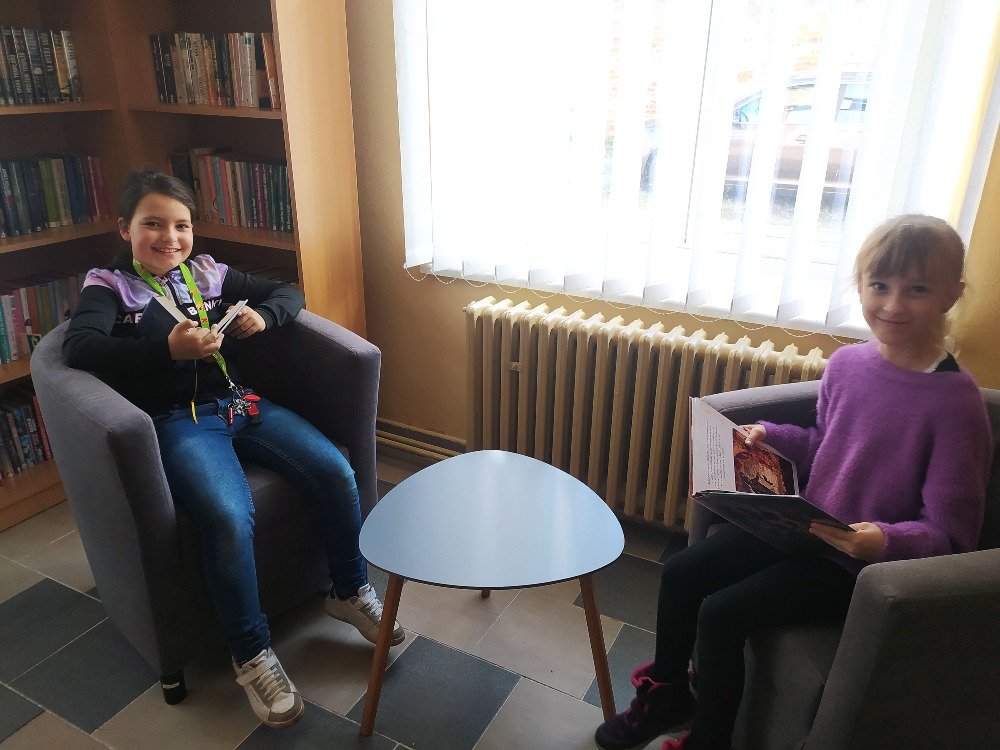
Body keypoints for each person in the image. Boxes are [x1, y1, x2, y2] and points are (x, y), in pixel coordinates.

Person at [594, 214, 992, 750]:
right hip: (802, 527)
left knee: (721, 614)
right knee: (682, 572)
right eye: (879, 285)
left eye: (917, 289)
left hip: (853, 564)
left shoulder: (957, 404)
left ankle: (709, 742)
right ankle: (667, 694)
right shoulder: (848, 364)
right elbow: (826, 441)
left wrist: (882, 540)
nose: (894, 305)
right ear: (860, 285)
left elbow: (951, 533)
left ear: (952, 295)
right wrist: (770, 436)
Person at [63, 169, 404, 729]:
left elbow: (288, 293)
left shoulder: (208, 272)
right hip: (179, 421)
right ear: (125, 229)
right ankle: (250, 653)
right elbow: (79, 349)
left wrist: (262, 315)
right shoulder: (109, 287)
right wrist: (165, 352)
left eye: (181, 225)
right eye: (153, 224)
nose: (170, 237)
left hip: (240, 403)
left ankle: (348, 589)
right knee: (227, 515)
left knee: (335, 470)